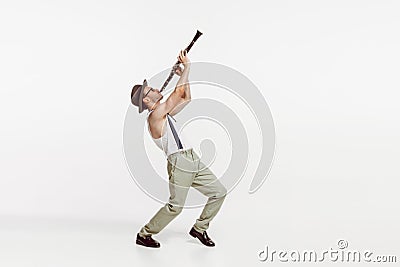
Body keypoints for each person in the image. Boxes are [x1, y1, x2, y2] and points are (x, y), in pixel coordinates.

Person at [130, 50, 227, 248]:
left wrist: (183, 74)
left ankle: (199, 228)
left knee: (219, 192)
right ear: (147, 101)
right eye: (151, 91)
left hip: (192, 158)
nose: (156, 89)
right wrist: (186, 68)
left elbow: (185, 97)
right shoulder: (155, 115)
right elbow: (176, 93)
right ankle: (144, 234)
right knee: (176, 207)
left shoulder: (165, 112)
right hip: (179, 162)